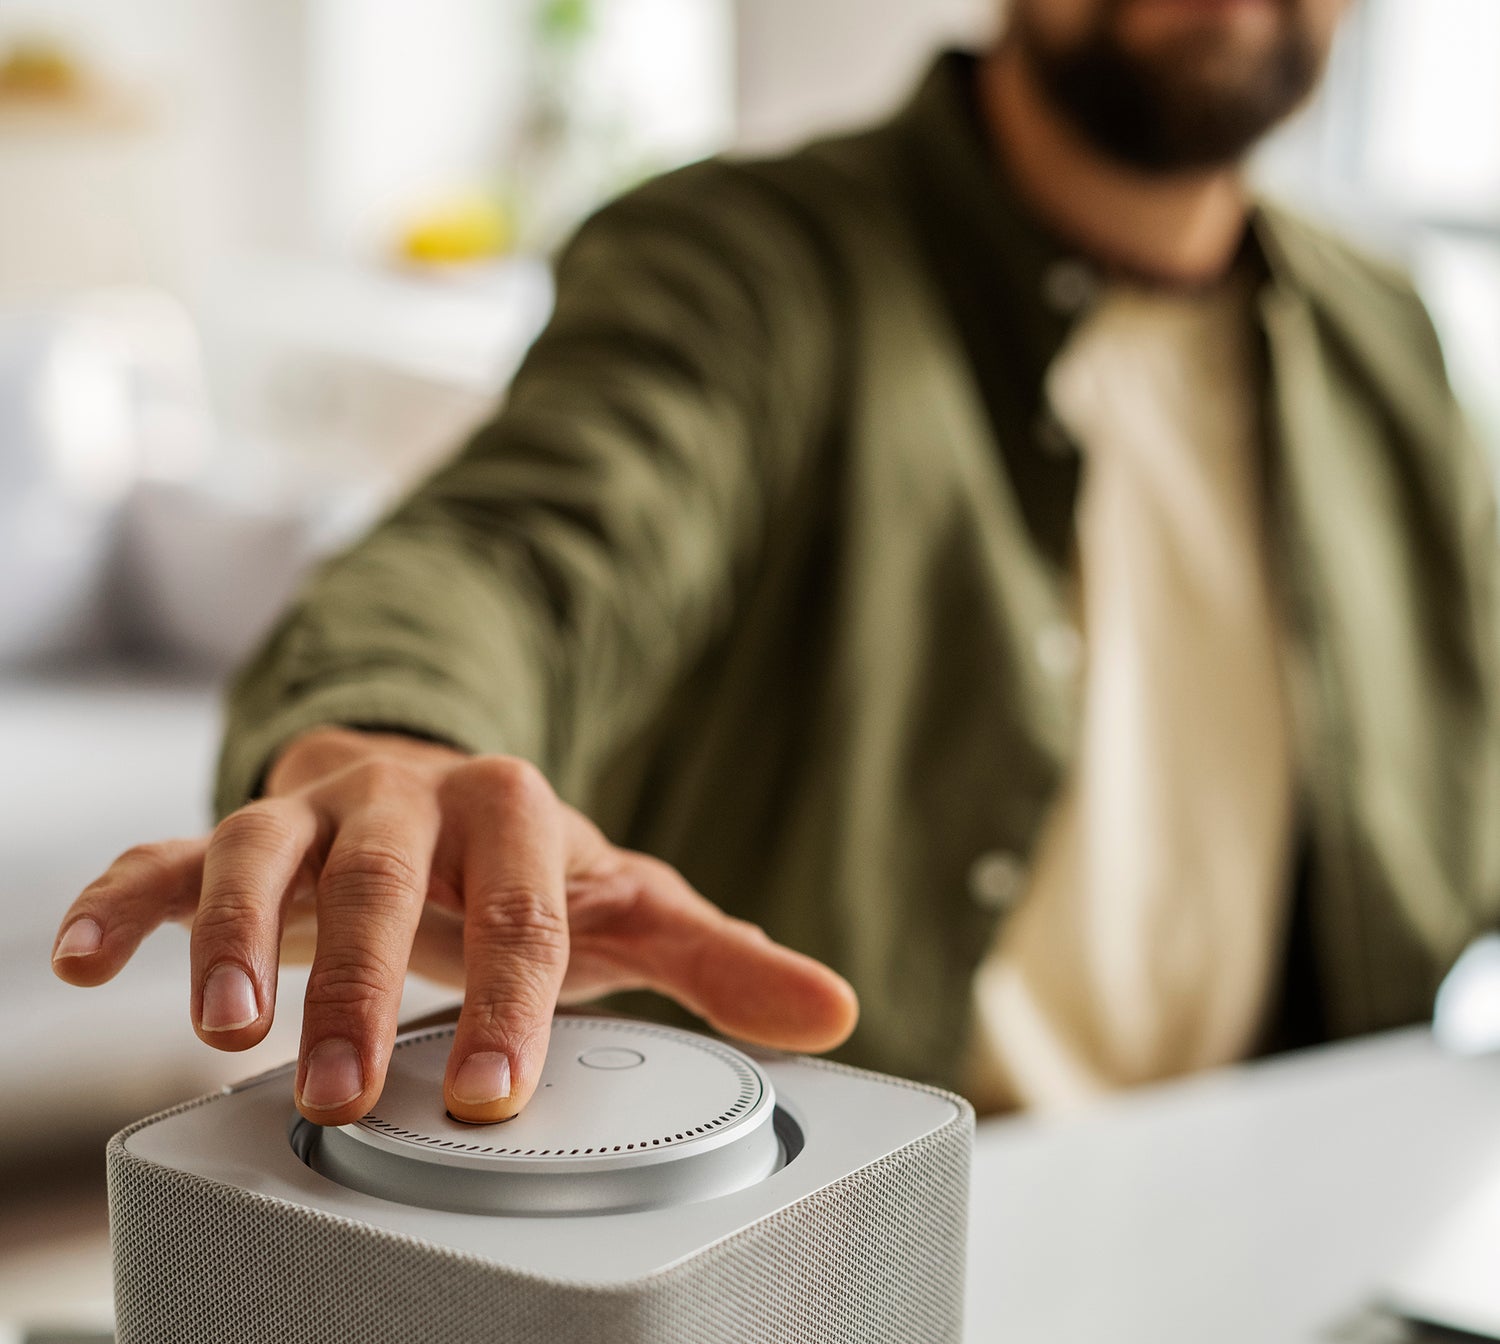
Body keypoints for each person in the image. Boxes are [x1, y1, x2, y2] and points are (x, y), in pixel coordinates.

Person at [53, 0, 1500, 1128]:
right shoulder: (743, 265)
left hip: (1299, 1256)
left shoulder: (1384, 334)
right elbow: (525, 539)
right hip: (822, 1299)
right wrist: (395, 731)